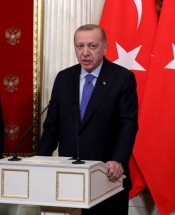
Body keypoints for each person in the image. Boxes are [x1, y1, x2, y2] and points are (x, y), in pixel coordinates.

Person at [38, 24, 139, 215]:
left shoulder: (122, 78)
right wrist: (40, 163)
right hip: (68, 178)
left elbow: (128, 125)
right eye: (79, 46)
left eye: (92, 46)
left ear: (105, 47)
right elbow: (52, 127)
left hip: (107, 178)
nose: (85, 53)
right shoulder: (64, 78)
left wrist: (118, 160)